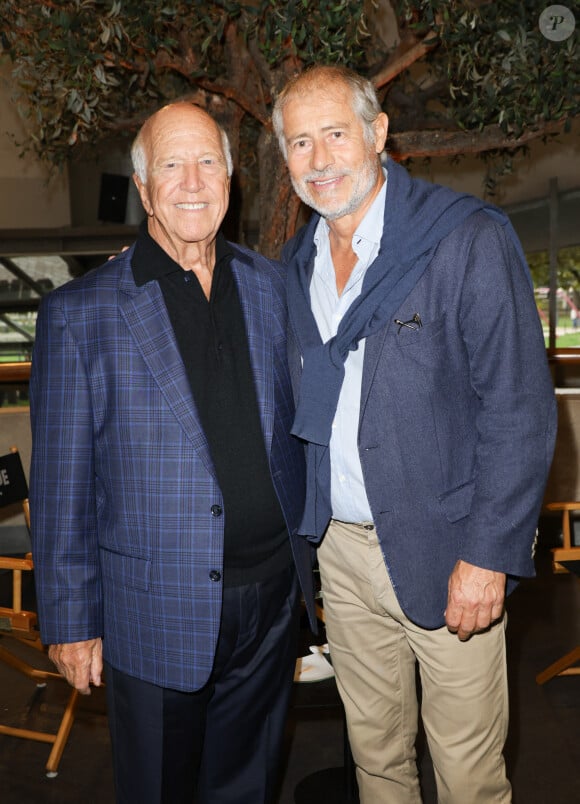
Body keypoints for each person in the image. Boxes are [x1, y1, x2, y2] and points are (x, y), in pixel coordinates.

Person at [272, 65, 557, 803]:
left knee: (466, 771)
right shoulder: (297, 264)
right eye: (299, 143)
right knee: (375, 757)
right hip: (341, 549)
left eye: (336, 133)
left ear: (378, 133)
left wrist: (488, 556)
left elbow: (520, 410)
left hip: (448, 548)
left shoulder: (462, 239)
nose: (320, 159)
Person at [29, 100, 315, 804]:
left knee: (248, 787)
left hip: (270, 603)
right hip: (152, 614)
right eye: (171, 165)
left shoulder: (272, 287)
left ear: (232, 177)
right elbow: (62, 482)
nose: (192, 181)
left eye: (208, 161)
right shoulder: (80, 315)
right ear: (144, 186)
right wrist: (69, 620)